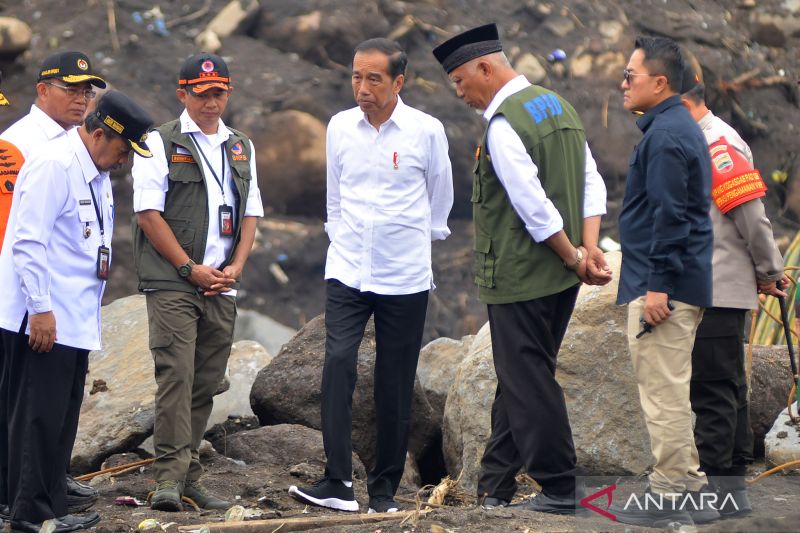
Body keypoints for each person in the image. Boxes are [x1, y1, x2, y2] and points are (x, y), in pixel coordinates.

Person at [432, 24, 611, 514]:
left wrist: (574, 255)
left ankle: (557, 486)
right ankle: (496, 485)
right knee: (521, 374)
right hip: (560, 274)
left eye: (459, 81)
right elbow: (592, 181)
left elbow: (533, 208)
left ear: (484, 68)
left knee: (528, 377)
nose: (460, 92)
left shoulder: (505, 124)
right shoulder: (558, 106)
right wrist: (588, 249)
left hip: (521, 274)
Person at [288, 38, 454, 514]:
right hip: (346, 269)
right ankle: (337, 481)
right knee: (338, 364)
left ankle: (384, 492)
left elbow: (440, 201)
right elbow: (334, 197)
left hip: (404, 276)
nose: (362, 87)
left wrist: (412, 242)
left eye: (373, 78)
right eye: (356, 76)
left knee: (394, 381)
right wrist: (342, 237)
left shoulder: (426, 131)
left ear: (398, 82)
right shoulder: (340, 127)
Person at [0, 90, 153, 533]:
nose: (125, 160)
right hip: (46, 317)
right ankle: (30, 515)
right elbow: (27, 242)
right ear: (101, 133)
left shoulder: (96, 171)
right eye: (124, 149)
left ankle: (50, 506)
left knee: (61, 419)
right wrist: (40, 309)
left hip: (74, 317)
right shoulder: (55, 165)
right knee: (37, 418)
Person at [132, 52, 263, 512]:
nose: (211, 102)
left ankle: (188, 476)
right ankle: (167, 480)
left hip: (220, 285)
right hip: (174, 281)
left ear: (229, 92)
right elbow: (148, 214)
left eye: (219, 93)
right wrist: (189, 268)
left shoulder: (240, 145)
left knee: (205, 383)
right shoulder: (157, 142)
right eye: (202, 93)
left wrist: (236, 267)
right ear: (182, 93)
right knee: (176, 376)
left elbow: (249, 215)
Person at [612, 36, 718, 527]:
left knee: (664, 395)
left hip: (664, 290)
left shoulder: (668, 135)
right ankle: (688, 489)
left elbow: (671, 218)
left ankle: (674, 494)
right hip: (668, 282)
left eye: (630, 75)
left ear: (660, 82)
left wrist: (658, 287)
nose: (622, 83)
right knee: (667, 392)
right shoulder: (671, 127)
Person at [0, 51, 109, 523]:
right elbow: (11, 229)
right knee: (21, 404)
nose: (82, 98)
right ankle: (18, 496)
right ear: (42, 90)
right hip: (21, 297)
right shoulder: (20, 144)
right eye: (72, 88)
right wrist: (34, 299)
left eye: (87, 90)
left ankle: (41, 481)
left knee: (43, 406)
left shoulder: (77, 144)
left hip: (52, 296)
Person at [680, 55, 785, 517]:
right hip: (709, 281)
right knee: (726, 387)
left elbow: (750, 213)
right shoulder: (695, 138)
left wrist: (770, 268)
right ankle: (733, 486)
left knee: (714, 388)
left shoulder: (717, 143)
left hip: (718, 284)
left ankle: (721, 490)